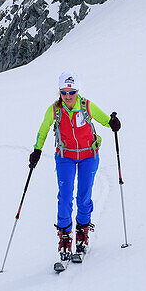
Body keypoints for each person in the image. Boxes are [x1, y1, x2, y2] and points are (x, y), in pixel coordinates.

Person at [27, 71, 120, 261]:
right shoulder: (54, 110)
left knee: (84, 197)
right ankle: (64, 237)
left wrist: (113, 123)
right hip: (65, 157)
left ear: (77, 91)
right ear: (59, 92)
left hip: (89, 156)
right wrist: (37, 150)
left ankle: (82, 233)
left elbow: (103, 119)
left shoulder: (86, 105)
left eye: (71, 92)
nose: (68, 97)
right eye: (64, 92)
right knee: (65, 197)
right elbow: (43, 130)